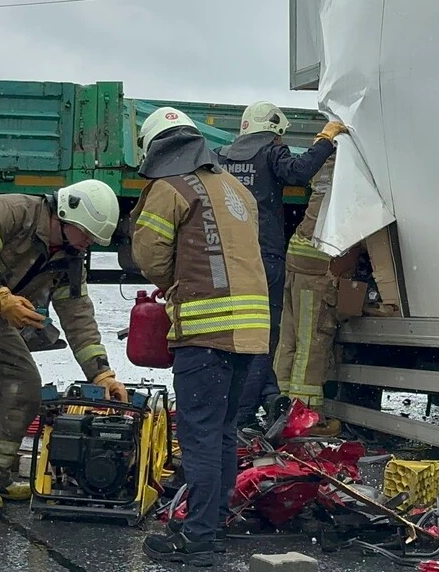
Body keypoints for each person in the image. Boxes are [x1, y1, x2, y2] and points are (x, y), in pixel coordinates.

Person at [130, 107, 268, 567]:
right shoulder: (237, 190)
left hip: (206, 334)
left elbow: (150, 258)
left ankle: (198, 541)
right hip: (251, 335)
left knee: (201, 437)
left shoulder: (170, 189)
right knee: (224, 434)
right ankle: (214, 522)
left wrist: (175, 284)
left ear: (156, 148)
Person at [0, 178, 128, 512]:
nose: (88, 245)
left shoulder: (69, 255)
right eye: (87, 235)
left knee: (22, 389)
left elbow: (77, 313)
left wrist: (102, 374)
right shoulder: (8, 213)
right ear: (66, 215)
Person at [217, 101, 346, 428]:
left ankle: (265, 397)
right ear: (273, 132)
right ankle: (244, 417)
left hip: (227, 262)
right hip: (263, 261)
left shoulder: (220, 159)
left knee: (233, 338)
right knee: (262, 340)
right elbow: (299, 172)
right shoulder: (270, 155)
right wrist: (325, 140)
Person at [272, 155, 357, 436]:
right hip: (317, 262)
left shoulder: (327, 165)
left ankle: (282, 409)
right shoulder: (351, 168)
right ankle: (306, 418)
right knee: (312, 342)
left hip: (298, 254)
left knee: (291, 337)